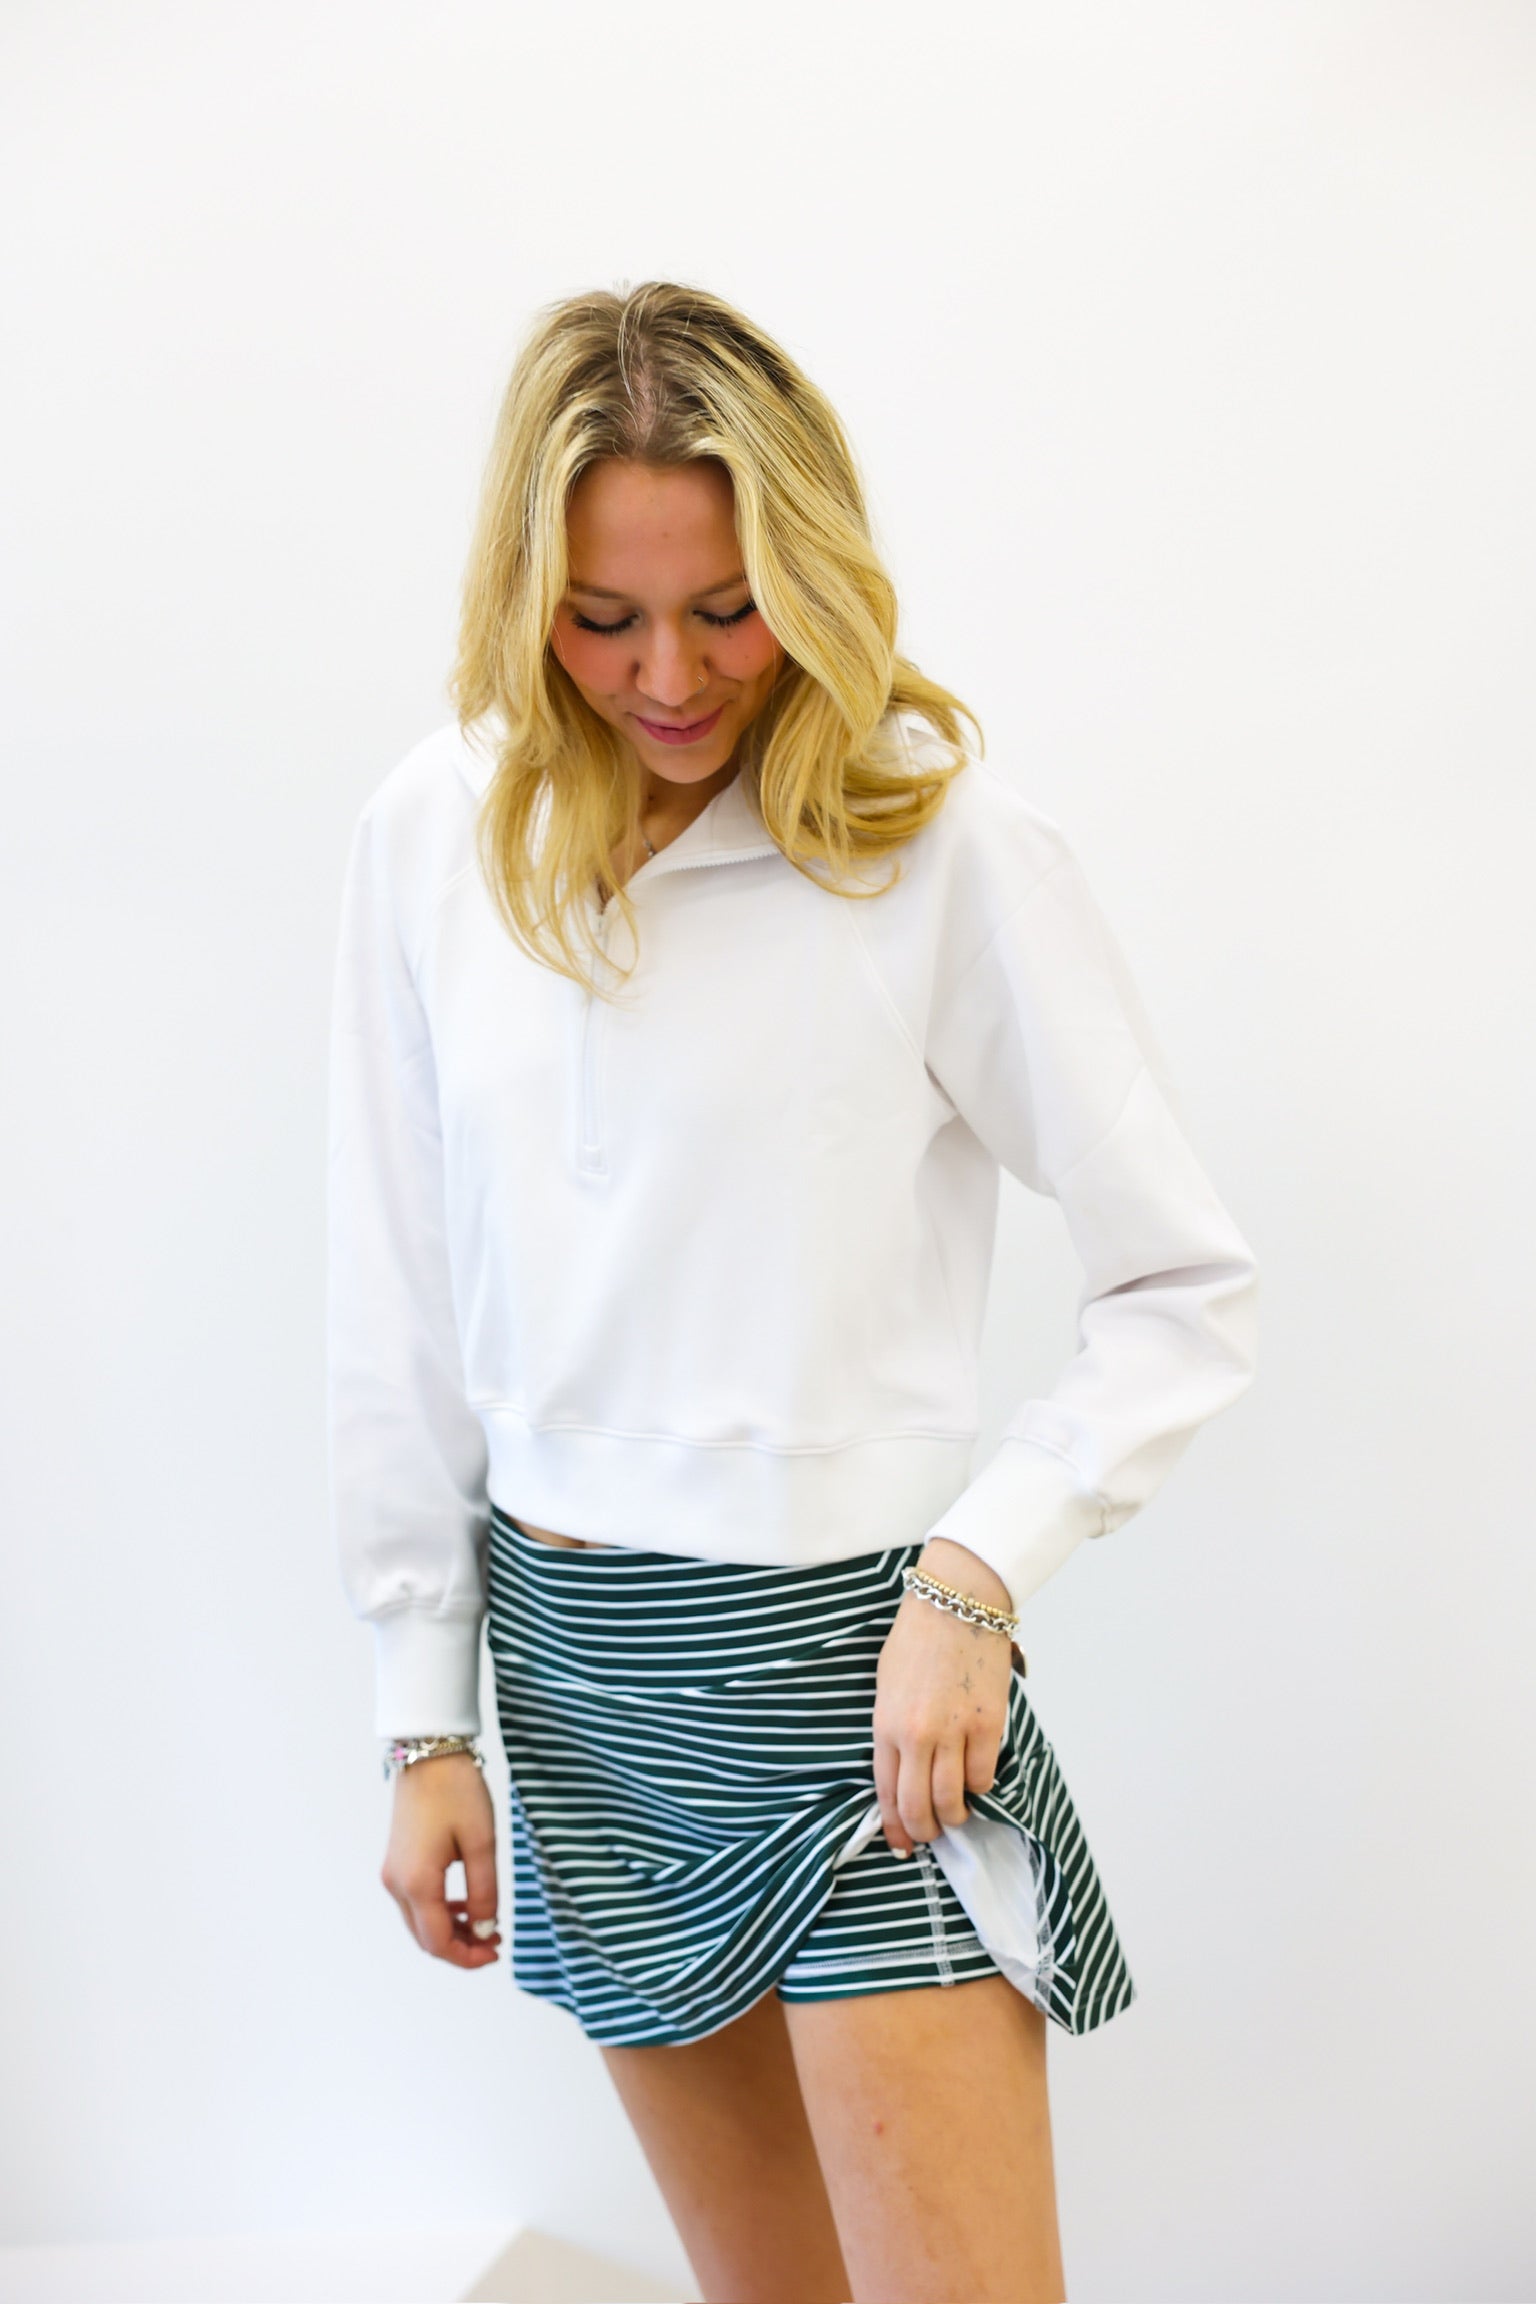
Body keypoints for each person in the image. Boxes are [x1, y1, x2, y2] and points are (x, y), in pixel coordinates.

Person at [325, 280, 1260, 2304]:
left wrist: (978, 1573)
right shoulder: (429, 838)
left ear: (810, 574)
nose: (670, 673)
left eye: (728, 606)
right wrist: (421, 1718)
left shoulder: (937, 843)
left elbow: (1182, 1281)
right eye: (604, 617)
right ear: (527, 593)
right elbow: (395, 1304)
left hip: (862, 1703)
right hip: (572, 1693)